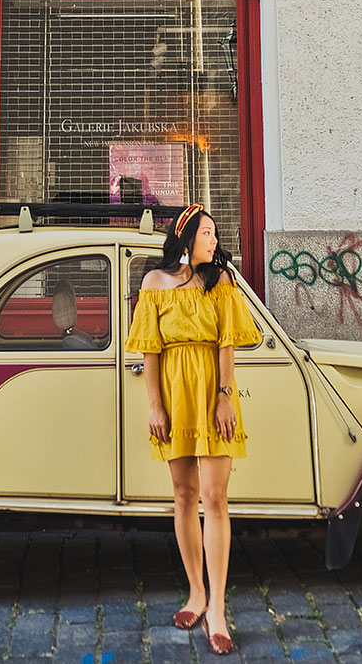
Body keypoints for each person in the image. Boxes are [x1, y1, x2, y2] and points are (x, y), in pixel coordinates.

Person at [124, 204, 261, 656]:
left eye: (215, 234)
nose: (213, 241)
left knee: (215, 497)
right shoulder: (155, 284)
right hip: (173, 394)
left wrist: (225, 395)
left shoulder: (221, 282)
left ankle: (218, 607)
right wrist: (154, 407)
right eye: (206, 233)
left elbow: (227, 346)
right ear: (185, 238)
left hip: (211, 389)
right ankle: (196, 593)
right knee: (183, 496)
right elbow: (150, 351)